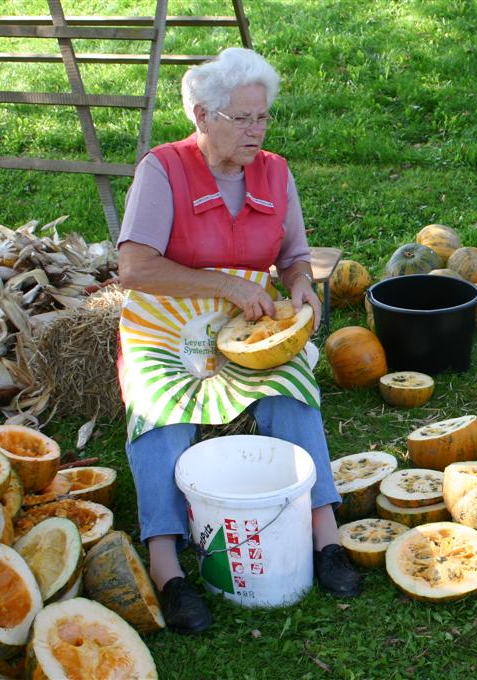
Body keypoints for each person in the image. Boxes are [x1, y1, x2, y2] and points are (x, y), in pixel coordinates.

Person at [117, 48, 359, 635]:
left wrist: (301, 288)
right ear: (202, 116)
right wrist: (224, 282)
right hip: (166, 322)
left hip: (252, 324)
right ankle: (168, 566)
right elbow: (133, 268)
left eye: (264, 117)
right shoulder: (162, 169)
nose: (258, 130)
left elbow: (295, 259)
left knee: (292, 386)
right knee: (158, 409)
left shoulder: (275, 171)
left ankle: (325, 533)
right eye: (243, 118)